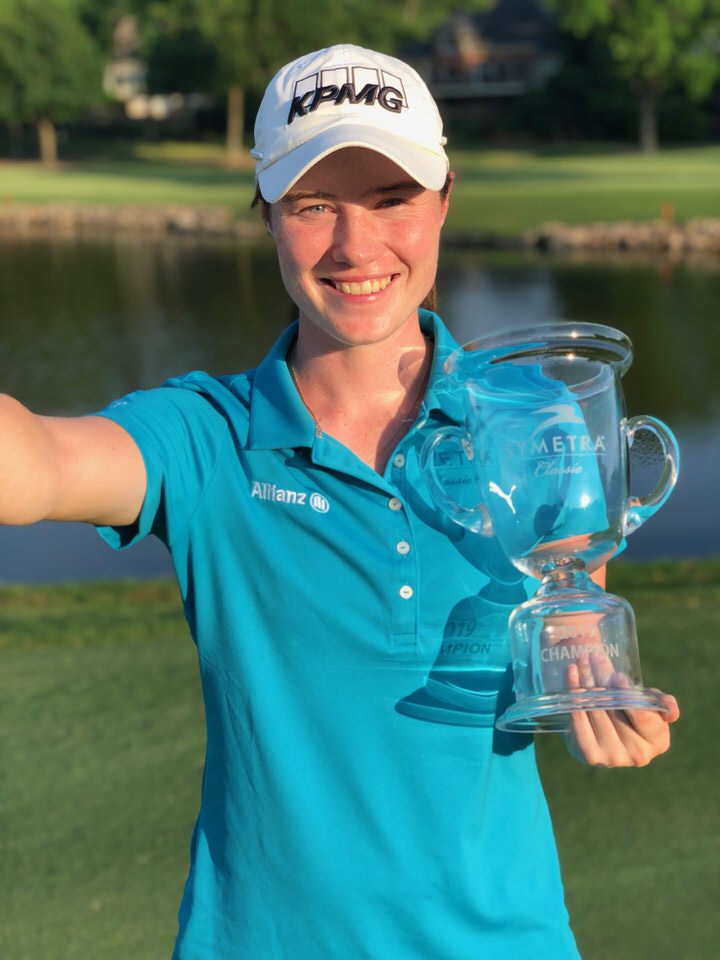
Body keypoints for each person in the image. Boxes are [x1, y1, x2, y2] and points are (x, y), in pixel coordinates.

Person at [1, 44, 679, 959]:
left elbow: (573, 613)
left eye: (391, 200)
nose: (356, 248)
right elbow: (35, 464)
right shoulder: (206, 435)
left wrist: (591, 678)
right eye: (314, 206)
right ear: (269, 218)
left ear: (443, 200)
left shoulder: (540, 414)